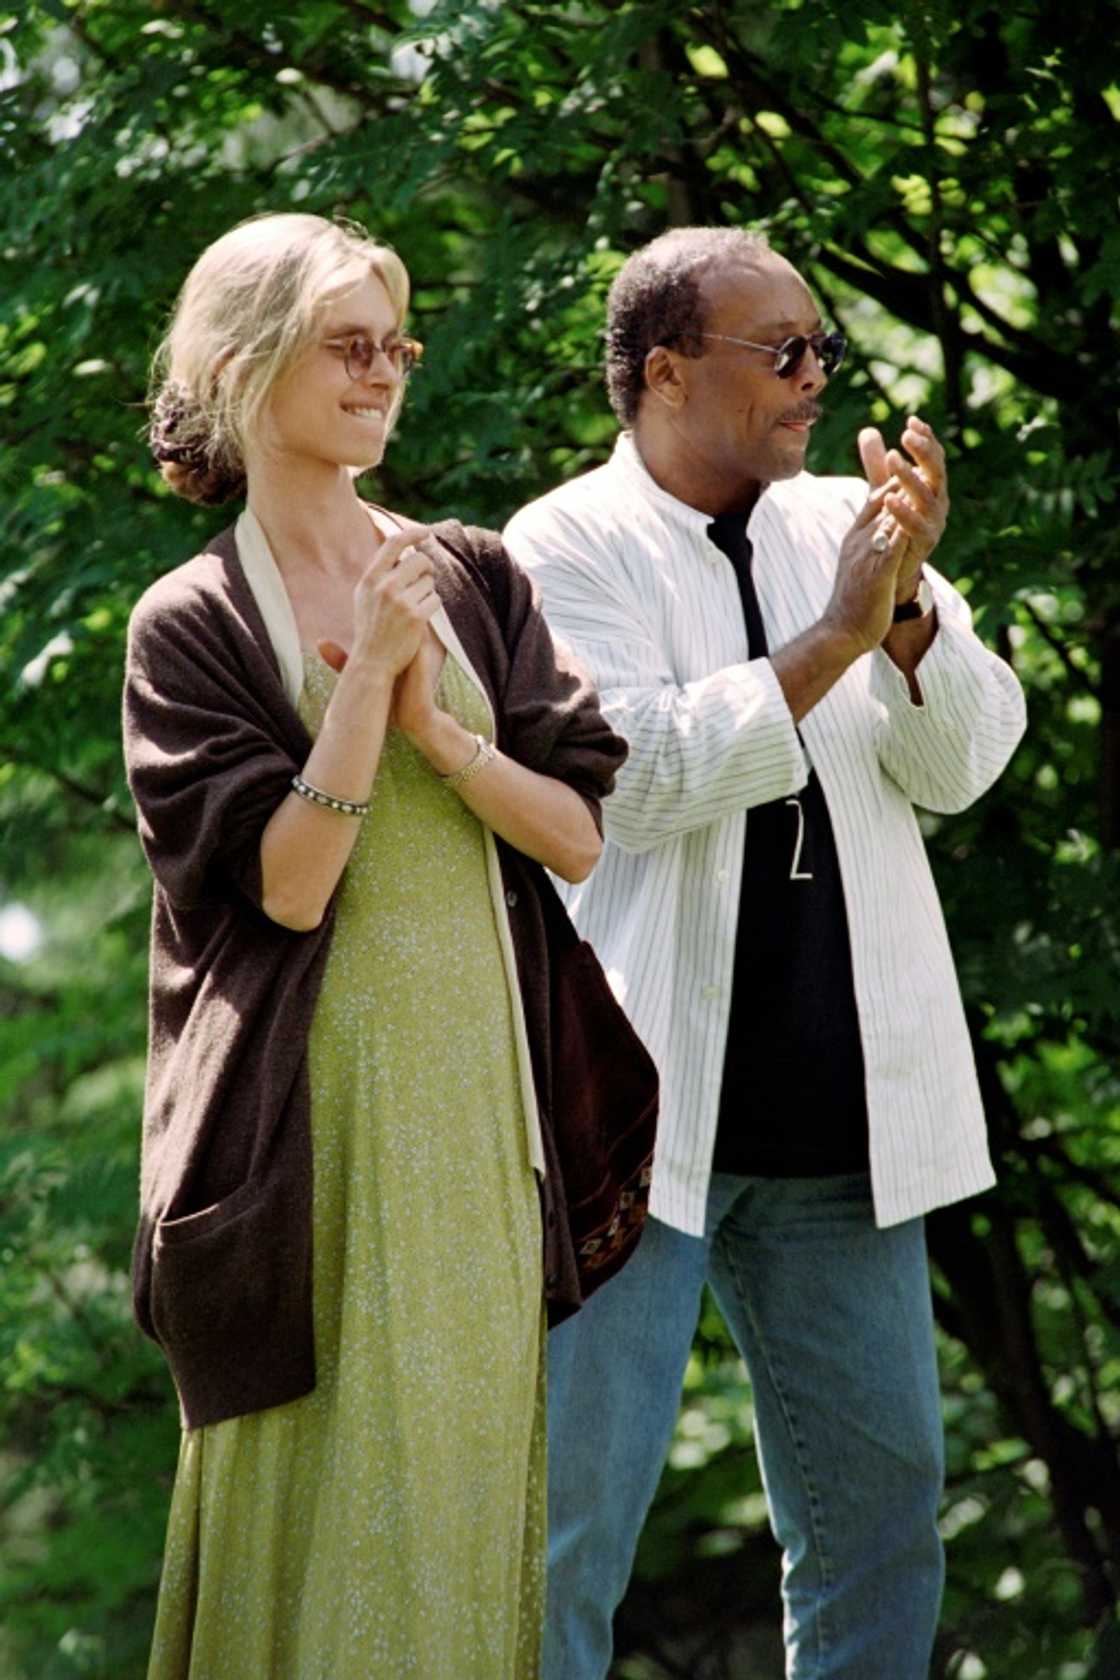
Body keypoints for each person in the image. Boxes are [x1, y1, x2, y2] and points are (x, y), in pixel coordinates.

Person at [502, 224, 1028, 1680]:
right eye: (780, 352)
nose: (814, 380)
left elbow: (968, 763)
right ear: (665, 373)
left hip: (847, 1134)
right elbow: (637, 778)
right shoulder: (558, 546)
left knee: (882, 1528)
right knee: (564, 1542)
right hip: (635, 1130)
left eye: (823, 352)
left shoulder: (848, 532)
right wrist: (832, 643)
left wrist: (909, 611)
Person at [122, 211, 633, 1680]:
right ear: (242, 361)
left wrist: (430, 728)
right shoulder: (190, 624)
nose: (382, 372)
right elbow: (285, 891)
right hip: (302, 1134)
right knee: (322, 1501)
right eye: (349, 344)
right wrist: (359, 707)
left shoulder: (467, 571)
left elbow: (577, 837)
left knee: (461, 1492)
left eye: (394, 344)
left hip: (480, 1099)